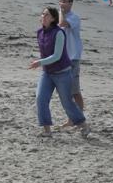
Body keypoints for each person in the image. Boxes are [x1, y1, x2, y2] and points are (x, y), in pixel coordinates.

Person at [29, 7, 90, 137]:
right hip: (47, 73)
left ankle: (83, 125)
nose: (43, 16)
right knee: (41, 99)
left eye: (47, 15)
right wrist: (42, 63)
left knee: (67, 102)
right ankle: (47, 130)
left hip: (62, 73)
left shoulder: (59, 33)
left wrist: (39, 62)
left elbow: (57, 56)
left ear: (53, 18)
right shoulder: (40, 32)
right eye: (43, 14)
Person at [57, 0, 83, 128]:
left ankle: (80, 118)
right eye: (60, 2)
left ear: (71, 4)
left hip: (73, 58)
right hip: (62, 58)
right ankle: (71, 119)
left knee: (75, 91)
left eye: (65, 2)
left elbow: (62, 24)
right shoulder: (59, 16)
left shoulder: (74, 18)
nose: (62, 4)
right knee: (66, 92)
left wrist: (60, 12)